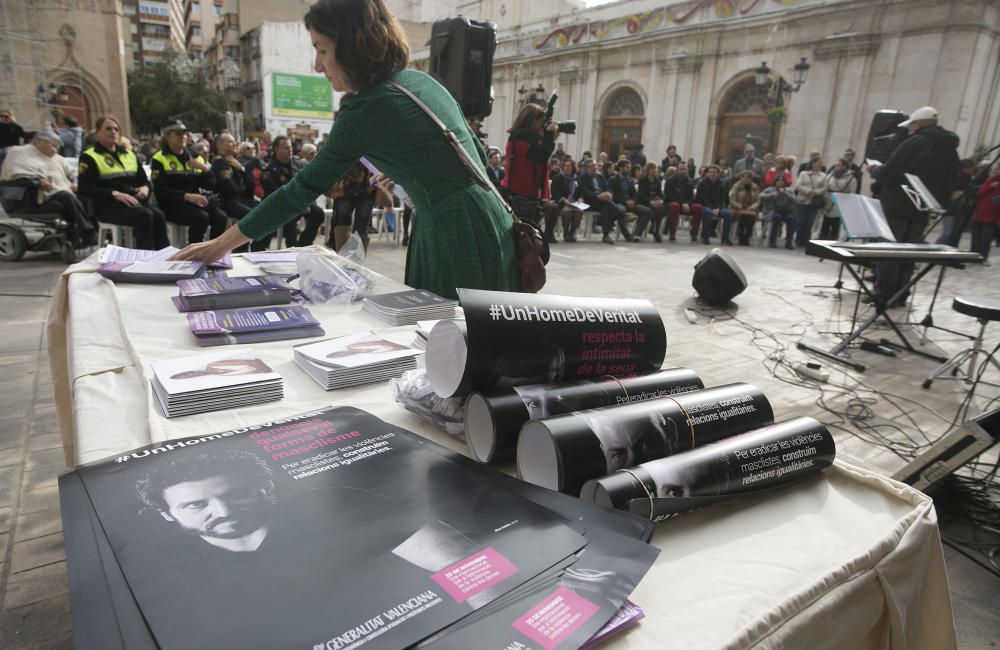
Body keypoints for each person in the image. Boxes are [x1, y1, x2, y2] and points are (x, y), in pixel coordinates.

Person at [171, 0, 518, 300]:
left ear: (353, 46)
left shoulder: (366, 107)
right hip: (489, 219)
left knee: (452, 343)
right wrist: (416, 176)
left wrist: (218, 245)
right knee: (484, 341)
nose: (317, 65)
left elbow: (302, 188)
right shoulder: (419, 81)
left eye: (322, 49)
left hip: (452, 231)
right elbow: (474, 156)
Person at [870, 105, 960, 306]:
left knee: (890, 251)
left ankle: (884, 295)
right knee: (910, 253)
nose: (909, 130)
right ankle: (901, 294)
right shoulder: (949, 148)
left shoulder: (916, 142)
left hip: (898, 205)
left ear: (917, 124)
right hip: (923, 208)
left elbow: (891, 171)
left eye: (910, 126)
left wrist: (875, 169)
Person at [78, 115, 169, 250]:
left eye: (116, 129)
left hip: (134, 202)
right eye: (108, 129)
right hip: (109, 205)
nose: (113, 132)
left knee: (158, 215)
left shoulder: (129, 154)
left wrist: (145, 188)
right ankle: (144, 259)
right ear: (98, 132)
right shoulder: (89, 156)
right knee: (144, 215)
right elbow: (84, 188)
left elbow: (145, 180)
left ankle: (164, 256)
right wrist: (114, 194)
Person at [0, 128, 95, 246]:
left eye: (57, 147)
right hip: (33, 197)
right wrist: (37, 180)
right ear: (40, 141)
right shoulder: (20, 152)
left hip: (59, 192)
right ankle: (88, 233)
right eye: (53, 145)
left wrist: (75, 182)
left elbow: (73, 172)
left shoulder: (57, 158)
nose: (55, 150)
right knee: (67, 197)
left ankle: (87, 231)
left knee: (86, 196)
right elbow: (16, 172)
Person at [151, 120, 227, 245]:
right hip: (173, 203)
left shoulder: (195, 157)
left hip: (195, 202)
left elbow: (210, 184)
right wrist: (186, 196)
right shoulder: (159, 158)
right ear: (168, 136)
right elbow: (161, 190)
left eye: (185, 134)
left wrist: (204, 168)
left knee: (220, 217)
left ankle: (213, 251)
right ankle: (194, 255)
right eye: (178, 134)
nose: (183, 137)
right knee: (201, 217)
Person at [501, 103, 557, 229]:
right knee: (524, 233)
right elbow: (541, 156)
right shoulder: (522, 136)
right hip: (521, 193)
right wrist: (549, 138)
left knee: (524, 232)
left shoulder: (522, 135)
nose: (543, 125)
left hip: (522, 191)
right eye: (541, 121)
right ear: (532, 120)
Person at [262, 135, 325, 248]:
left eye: (290, 147)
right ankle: (292, 247)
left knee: (318, 214)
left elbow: (306, 185)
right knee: (290, 217)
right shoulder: (269, 168)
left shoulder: (298, 164)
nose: (290, 150)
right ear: (276, 149)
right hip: (282, 205)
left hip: (300, 203)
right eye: (286, 148)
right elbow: (273, 193)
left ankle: (304, 244)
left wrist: (305, 202)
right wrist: (296, 204)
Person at [211, 133, 263, 252]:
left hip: (242, 199)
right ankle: (240, 251)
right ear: (219, 145)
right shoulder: (220, 164)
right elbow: (228, 189)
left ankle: (257, 249)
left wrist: (242, 170)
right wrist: (241, 189)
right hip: (227, 202)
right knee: (252, 217)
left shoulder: (235, 162)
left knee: (265, 211)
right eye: (230, 142)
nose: (234, 144)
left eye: (234, 141)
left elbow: (250, 188)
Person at [329, 161, 378, 252]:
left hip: (368, 184)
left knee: (362, 225)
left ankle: (356, 261)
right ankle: (343, 260)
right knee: (342, 224)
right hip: (344, 184)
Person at [579, 158, 629, 245]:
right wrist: (598, 196)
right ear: (587, 168)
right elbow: (585, 191)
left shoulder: (600, 176)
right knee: (612, 208)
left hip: (604, 201)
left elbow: (608, 188)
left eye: (595, 165)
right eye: (592, 166)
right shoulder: (583, 177)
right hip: (590, 202)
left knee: (606, 206)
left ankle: (606, 235)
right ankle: (622, 215)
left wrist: (609, 194)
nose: (595, 168)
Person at [817, 158, 858, 240]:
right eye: (836, 165)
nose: (836, 166)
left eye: (839, 165)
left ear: (845, 166)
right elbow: (825, 186)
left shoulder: (851, 178)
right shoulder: (830, 175)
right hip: (828, 201)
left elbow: (852, 193)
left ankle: (832, 242)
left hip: (840, 203)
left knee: (835, 224)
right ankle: (822, 241)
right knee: (825, 222)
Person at [608, 159, 647, 241]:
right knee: (620, 210)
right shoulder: (613, 180)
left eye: (630, 167)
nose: (630, 169)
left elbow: (635, 194)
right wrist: (625, 202)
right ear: (621, 168)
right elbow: (613, 196)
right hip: (620, 203)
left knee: (647, 211)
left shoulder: (630, 180)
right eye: (627, 167)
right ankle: (627, 235)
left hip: (631, 203)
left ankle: (637, 234)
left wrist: (633, 201)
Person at [694, 164, 732, 245]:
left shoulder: (723, 184)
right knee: (707, 212)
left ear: (718, 174)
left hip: (719, 207)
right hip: (705, 206)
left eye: (714, 172)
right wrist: (712, 208)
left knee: (728, 213)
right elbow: (702, 199)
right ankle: (705, 237)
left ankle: (725, 238)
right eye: (710, 172)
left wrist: (718, 208)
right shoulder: (702, 183)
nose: (712, 174)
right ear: (707, 173)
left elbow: (724, 199)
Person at [664, 161, 701, 242]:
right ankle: (672, 233)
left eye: (684, 169)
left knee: (698, 207)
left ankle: (694, 233)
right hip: (673, 203)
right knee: (675, 206)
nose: (683, 171)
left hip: (686, 204)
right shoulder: (670, 180)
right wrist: (682, 203)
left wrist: (687, 203)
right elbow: (669, 196)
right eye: (681, 169)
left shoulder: (690, 181)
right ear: (677, 170)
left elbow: (691, 197)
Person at [793, 156, 827, 247]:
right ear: (813, 163)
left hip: (814, 201)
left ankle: (806, 239)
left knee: (810, 221)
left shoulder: (823, 176)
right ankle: (798, 238)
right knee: (800, 221)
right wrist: (808, 191)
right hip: (802, 200)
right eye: (818, 163)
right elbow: (798, 185)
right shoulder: (804, 174)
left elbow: (824, 188)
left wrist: (815, 193)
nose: (820, 165)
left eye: (821, 163)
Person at [970, 163, 1000, 261]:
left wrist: (995, 202)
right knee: (976, 236)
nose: (995, 171)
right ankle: (973, 255)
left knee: (985, 238)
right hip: (980, 212)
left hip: (991, 215)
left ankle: (982, 257)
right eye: (995, 169)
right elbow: (980, 193)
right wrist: (990, 187)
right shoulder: (989, 181)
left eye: (998, 169)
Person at [549, 158, 583, 242]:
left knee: (579, 212)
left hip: (574, 203)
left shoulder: (577, 179)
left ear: (573, 168)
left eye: (569, 166)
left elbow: (581, 192)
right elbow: (554, 192)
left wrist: (580, 199)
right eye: (565, 166)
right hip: (561, 203)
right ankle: (566, 233)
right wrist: (563, 199)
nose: (567, 168)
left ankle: (572, 233)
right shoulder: (557, 178)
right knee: (568, 211)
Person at [760, 175, 797, 249]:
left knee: (791, 219)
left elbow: (795, 200)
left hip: (787, 211)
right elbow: (761, 195)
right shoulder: (770, 189)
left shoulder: (789, 190)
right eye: (778, 181)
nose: (780, 183)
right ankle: (772, 240)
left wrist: (785, 193)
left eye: (782, 181)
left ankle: (789, 241)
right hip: (774, 211)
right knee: (777, 218)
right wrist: (771, 195)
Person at [729, 170, 760, 246]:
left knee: (750, 215)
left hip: (750, 209)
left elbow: (758, 201)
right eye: (743, 177)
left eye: (748, 177)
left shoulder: (755, 187)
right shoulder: (736, 186)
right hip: (737, 208)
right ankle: (741, 235)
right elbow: (732, 200)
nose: (745, 179)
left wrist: (752, 207)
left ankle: (747, 235)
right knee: (743, 215)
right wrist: (741, 206)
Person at [636, 161, 665, 243]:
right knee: (654, 209)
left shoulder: (658, 181)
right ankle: (655, 231)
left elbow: (660, 194)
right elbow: (641, 195)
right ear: (649, 170)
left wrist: (661, 200)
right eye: (653, 169)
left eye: (656, 169)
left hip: (655, 202)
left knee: (661, 207)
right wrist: (650, 202)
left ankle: (655, 228)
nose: (655, 171)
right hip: (644, 202)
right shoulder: (642, 180)